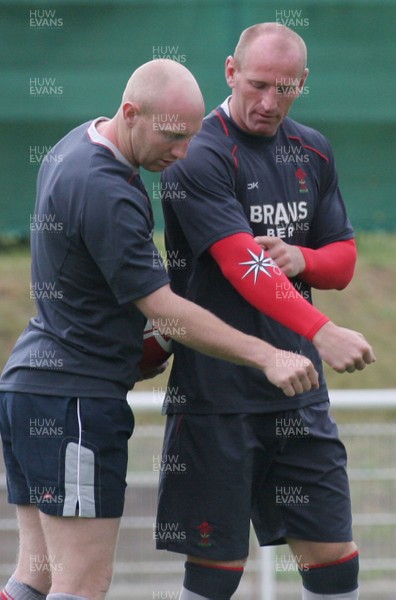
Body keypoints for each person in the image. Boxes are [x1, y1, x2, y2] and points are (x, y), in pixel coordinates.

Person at [0, 58, 325, 600]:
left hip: (29, 389)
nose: (180, 154)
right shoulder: (111, 192)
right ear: (130, 113)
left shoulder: (72, 146)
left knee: (34, 576)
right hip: (74, 404)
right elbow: (163, 310)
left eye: (191, 139)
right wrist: (266, 355)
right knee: (81, 585)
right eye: (172, 137)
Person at [156, 24, 375, 600]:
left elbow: (343, 261)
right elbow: (240, 263)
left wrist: (302, 257)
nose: (269, 102)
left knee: (334, 562)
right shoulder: (195, 152)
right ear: (230, 72)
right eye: (257, 85)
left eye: (285, 88)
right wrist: (321, 329)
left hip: (298, 392)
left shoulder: (313, 149)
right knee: (215, 576)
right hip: (216, 398)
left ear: (303, 83)